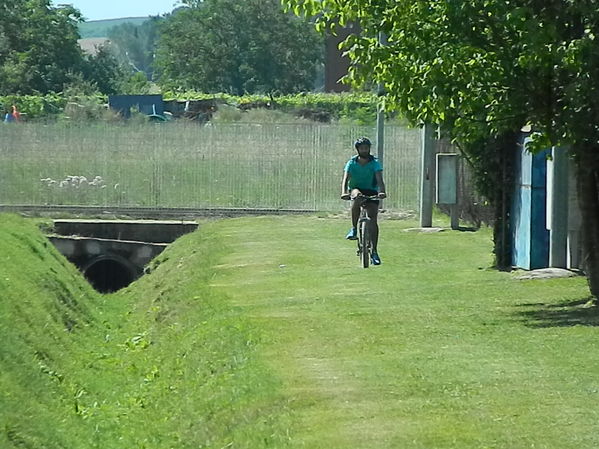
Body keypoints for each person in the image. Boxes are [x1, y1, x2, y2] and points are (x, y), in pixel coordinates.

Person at [340, 137, 387, 265]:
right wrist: (344, 192)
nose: (364, 150)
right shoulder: (352, 162)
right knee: (357, 197)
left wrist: (381, 191)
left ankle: (375, 252)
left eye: (366, 148)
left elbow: (379, 180)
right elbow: (345, 179)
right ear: (358, 149)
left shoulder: (374, 163)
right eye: (362, 148)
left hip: (371, 190)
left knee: (373, 219)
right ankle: (354, 228)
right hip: (356, 189)